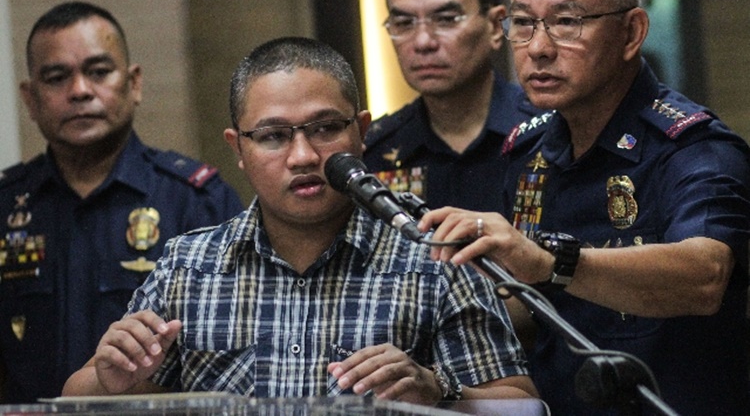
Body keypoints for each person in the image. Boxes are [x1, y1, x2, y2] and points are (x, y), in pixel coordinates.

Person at [62, 37, 538, 404]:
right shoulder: (189, 266)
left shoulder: (432, 254)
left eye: (326, 128)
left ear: (362, 132)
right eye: (273, 136)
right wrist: (111, 380)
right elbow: (79, 394)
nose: (304, 156)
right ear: (238, 149)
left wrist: (438, 389)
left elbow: (519, 405)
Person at [419, 0, 750, 416]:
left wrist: (551, 262)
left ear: (631, 32)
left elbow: (704, 277)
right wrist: (432, 326)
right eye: (523, 22)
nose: (538, 47)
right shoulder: (527, 151)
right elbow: (534, 310)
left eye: (567, 22)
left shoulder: (693, 147)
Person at [0, 1, 244, 402]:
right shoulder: (7, 206)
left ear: (134, 83)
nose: (80, 91)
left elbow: (233, 351)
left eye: (98, 72)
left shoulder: (196, 201)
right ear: (30, 99)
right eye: (57, 77)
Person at [364, 0, 537, 211]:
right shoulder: (376, 152)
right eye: (404, 23)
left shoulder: (547, 133)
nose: (423, 42)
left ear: (494, 26)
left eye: (446, 19)